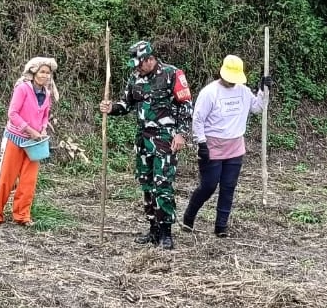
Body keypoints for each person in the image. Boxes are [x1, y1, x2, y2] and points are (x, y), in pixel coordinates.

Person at [99, 40, 192, 249]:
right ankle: (153, 229)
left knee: (163, 185)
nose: (137, 68)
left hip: (165, 140)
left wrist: (182, 135)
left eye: (140, 64)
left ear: (150, 59)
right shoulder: (135, 78)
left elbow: (186, 106)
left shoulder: (172, 74)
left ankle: (166, 233)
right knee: (147, 185)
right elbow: (125, 104)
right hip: (143, 140)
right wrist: (111, 108)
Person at [181, 55, 269, 237]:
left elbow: (258, 108)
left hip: (235, 146)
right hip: (212, 145)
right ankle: (189, 217)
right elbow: (198, 119)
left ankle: (221, 226)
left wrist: (263, 90)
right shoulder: (209, 92)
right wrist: (201, 143)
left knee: (228, 186)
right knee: (209, 185)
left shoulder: (243, 92)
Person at [0, 57, 58, 226]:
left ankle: (22, 216)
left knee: (29, 180)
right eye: (42, 72)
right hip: (15, 139)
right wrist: (30, 130)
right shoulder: (22, 89)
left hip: (35, 144)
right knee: (6, 178)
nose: (45, 76)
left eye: (48, 73)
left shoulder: (47, 93)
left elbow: (44, 115)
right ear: (33, 72)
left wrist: (42, 130)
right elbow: (12, 114)